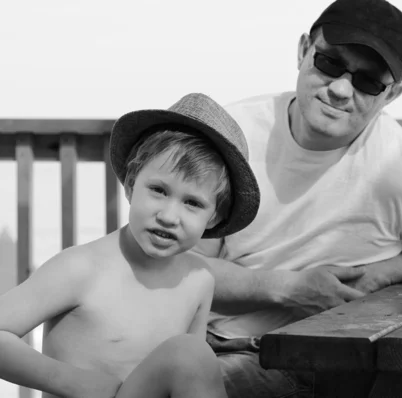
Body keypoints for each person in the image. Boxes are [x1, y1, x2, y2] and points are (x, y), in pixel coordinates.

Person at [194, 0, 402, 397]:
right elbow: (186, 265)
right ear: (302, 51)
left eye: (368, 82)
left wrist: (382, 273)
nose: (340, 89)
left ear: (392, 94)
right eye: (329, 63)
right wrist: (289, 287)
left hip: (295, 362)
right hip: (192, 338)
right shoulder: (234, 132)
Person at [0, 93, 260, 398]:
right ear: (131, 184)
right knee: (189, 352)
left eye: (192, 203)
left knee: (192, 354)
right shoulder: (81, 269)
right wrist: (71, 381)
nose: (168, 216)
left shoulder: (199, 280)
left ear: (213, 217)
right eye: (158, 190)